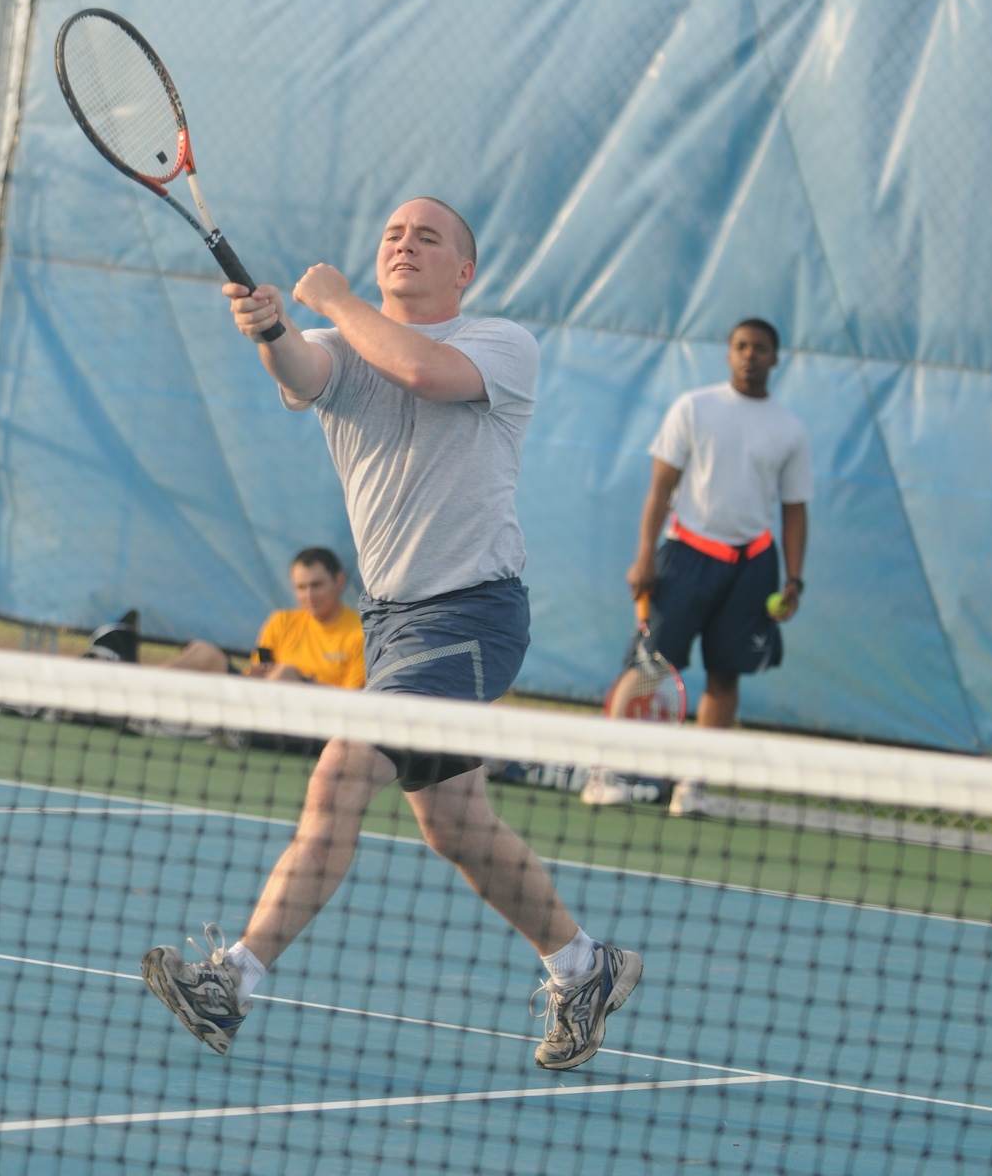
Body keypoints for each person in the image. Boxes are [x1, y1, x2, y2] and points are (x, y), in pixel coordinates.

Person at [139, 197, 640, 1072]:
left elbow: (420, 372)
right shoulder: (339, 347)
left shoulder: (500, 345)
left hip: (474, 615)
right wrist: (272, 328)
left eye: (428, 236)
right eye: (393, 235)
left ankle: (233, 981)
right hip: (395, 624)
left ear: (464, 273)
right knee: (454, 825)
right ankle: (583, 965)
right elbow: (303, 370)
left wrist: (332, 297)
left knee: (340, 773)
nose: (406, 243)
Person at [625, 318, 811, 749]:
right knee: (647, 667)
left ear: (775, 358)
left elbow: (795, 510)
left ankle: (695, 781)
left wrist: (794, 579)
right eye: (741, 346)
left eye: (760, 348)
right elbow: (660, 488)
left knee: (725, 674)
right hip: (686, 556)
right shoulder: (693, 407)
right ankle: (616, 771)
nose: (750, 355)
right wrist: (645, 557)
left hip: (753, 567)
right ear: (729, 354)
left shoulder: (791, 430)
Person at [160, 546, 366, 688]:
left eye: (316, 585)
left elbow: (352, 700)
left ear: (339, 581)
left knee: (284, 673)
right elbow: (260, 666)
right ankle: (135, 702)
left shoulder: (360, 633)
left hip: (309, 722)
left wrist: (297, 680)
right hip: (255, 702)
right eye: (301, 588)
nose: (308, 596)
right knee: (203, 652)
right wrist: (262, 671)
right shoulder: (280, 621)